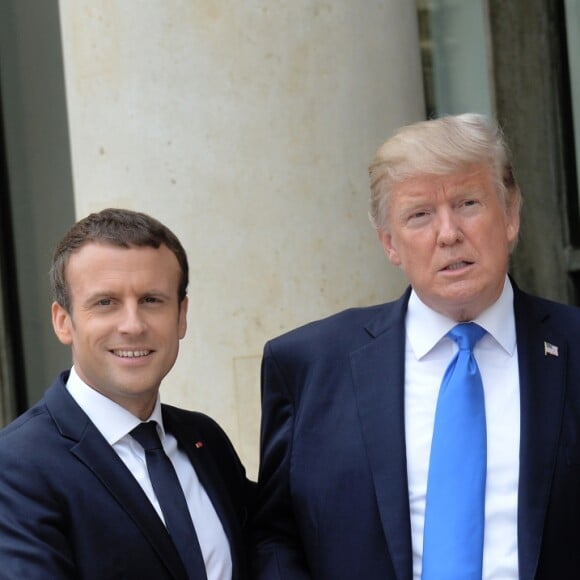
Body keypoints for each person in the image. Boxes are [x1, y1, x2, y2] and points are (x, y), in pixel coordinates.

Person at [253, 114, 580, 579]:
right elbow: (276, 536)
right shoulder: (308, 365)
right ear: (389, 242)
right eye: (419, 215)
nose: (448, 234)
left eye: (468, 203)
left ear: (510, 216)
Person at [0, 208, 254, 579]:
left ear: (181, 316)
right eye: (105, 302)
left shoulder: (206, 440)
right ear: (62, 321)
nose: (133, 326)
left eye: (152, 300)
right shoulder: (15, 467)